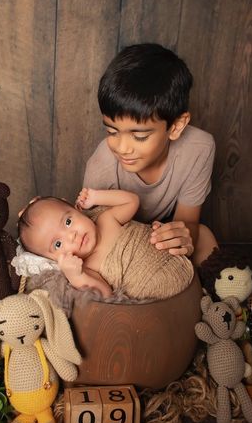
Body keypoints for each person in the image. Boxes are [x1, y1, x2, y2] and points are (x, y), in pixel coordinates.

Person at [83, 43, 217, 266]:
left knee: (203, 236)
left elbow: (188, 223)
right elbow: (93, 240)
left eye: (140, 136)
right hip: (119, 245)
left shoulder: (199, 148)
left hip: (161, 238)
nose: (122, 147)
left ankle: (223, 298)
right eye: (111, 131)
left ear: (176, 127)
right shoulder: (102, 166)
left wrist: (182, 238)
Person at [17, 188, 194, 300]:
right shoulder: (87, 268)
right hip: (154, 294)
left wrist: (96, 197)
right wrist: (76, 277)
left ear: (76, 209)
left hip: (177, 262)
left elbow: (132, 201)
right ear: (54, 260)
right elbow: (105, 293)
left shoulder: (106, 219)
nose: (72, 236)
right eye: (57, 244)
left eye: (68, 222)